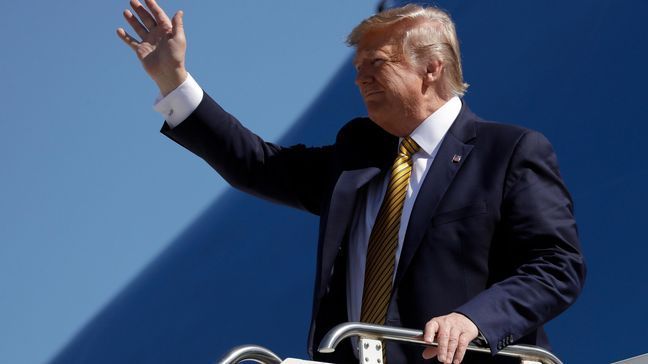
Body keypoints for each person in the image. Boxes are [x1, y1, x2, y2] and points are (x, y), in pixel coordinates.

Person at [117, 1, 586, 363]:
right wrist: (173, 79)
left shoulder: (508, 151)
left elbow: (556, 266)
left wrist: (474, 319)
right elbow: (259, 164)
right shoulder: (358, 155)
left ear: (431, 68)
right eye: (356, 69)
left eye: (375, 64)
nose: (359, 80)